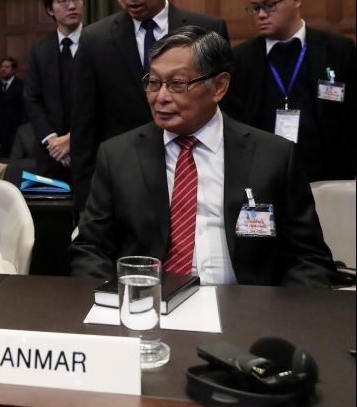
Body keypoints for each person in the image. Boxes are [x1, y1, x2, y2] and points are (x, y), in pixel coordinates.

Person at [70, 26, 336, 288]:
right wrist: (111, 305)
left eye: (177, 84)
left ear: (219, 87)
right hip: (149, 307)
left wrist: (280, 318)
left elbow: (309, 259)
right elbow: (91, 249)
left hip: (247, 311)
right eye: (153, 82)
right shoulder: (118, 156)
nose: (160, 97)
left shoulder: (273, 156)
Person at [70, 0, 230, 210]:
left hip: (198, 173)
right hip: (125, 181)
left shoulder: (207, 30)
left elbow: (226, 111)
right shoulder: (95, 39)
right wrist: (86, 204)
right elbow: (84, 129)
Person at [227, 0, 355, 181]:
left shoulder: (338, 50)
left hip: (328, 172)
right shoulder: (240, 58)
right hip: (264, 173)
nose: (260, 15)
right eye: (255, 7)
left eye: (269, 5)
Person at [25, 0, 84, 180]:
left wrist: (72, 140)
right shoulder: (39, 48)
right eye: (63, 0)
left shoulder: (98, 41)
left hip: (90, 149)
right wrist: (53, 142)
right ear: (50, 10)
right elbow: (32, 99)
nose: (72, 6)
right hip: (50, 153)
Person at [0, 56, 26, 158]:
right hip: (0, 131)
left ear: (14, 70)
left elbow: (24, 109)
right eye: (2, 66)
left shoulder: (22, 85)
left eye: (7, 67)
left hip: (15, 130)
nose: (3, 69)